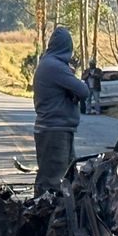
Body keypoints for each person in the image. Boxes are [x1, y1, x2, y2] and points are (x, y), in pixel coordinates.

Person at [32, 27, 90, 195]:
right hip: (54, 129)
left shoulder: (50, 63)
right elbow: (83, 91)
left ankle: (63, 218)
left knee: (68, 177)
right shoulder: (54, 66)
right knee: (52, 182)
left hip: (58, 128)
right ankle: (43, 217)